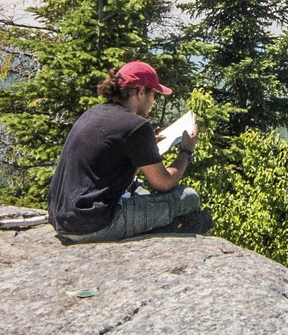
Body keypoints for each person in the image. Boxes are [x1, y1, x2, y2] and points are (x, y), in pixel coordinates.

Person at [48, 61, 209, 242]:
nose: (154, 101)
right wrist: (186, 151)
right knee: (188, 197)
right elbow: (164, 183)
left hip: (62, 218)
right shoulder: (136, 126)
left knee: (139, 188)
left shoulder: (92, 113)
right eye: (153, 94)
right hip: (96, 224)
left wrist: (144, 149)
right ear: (140, 91)